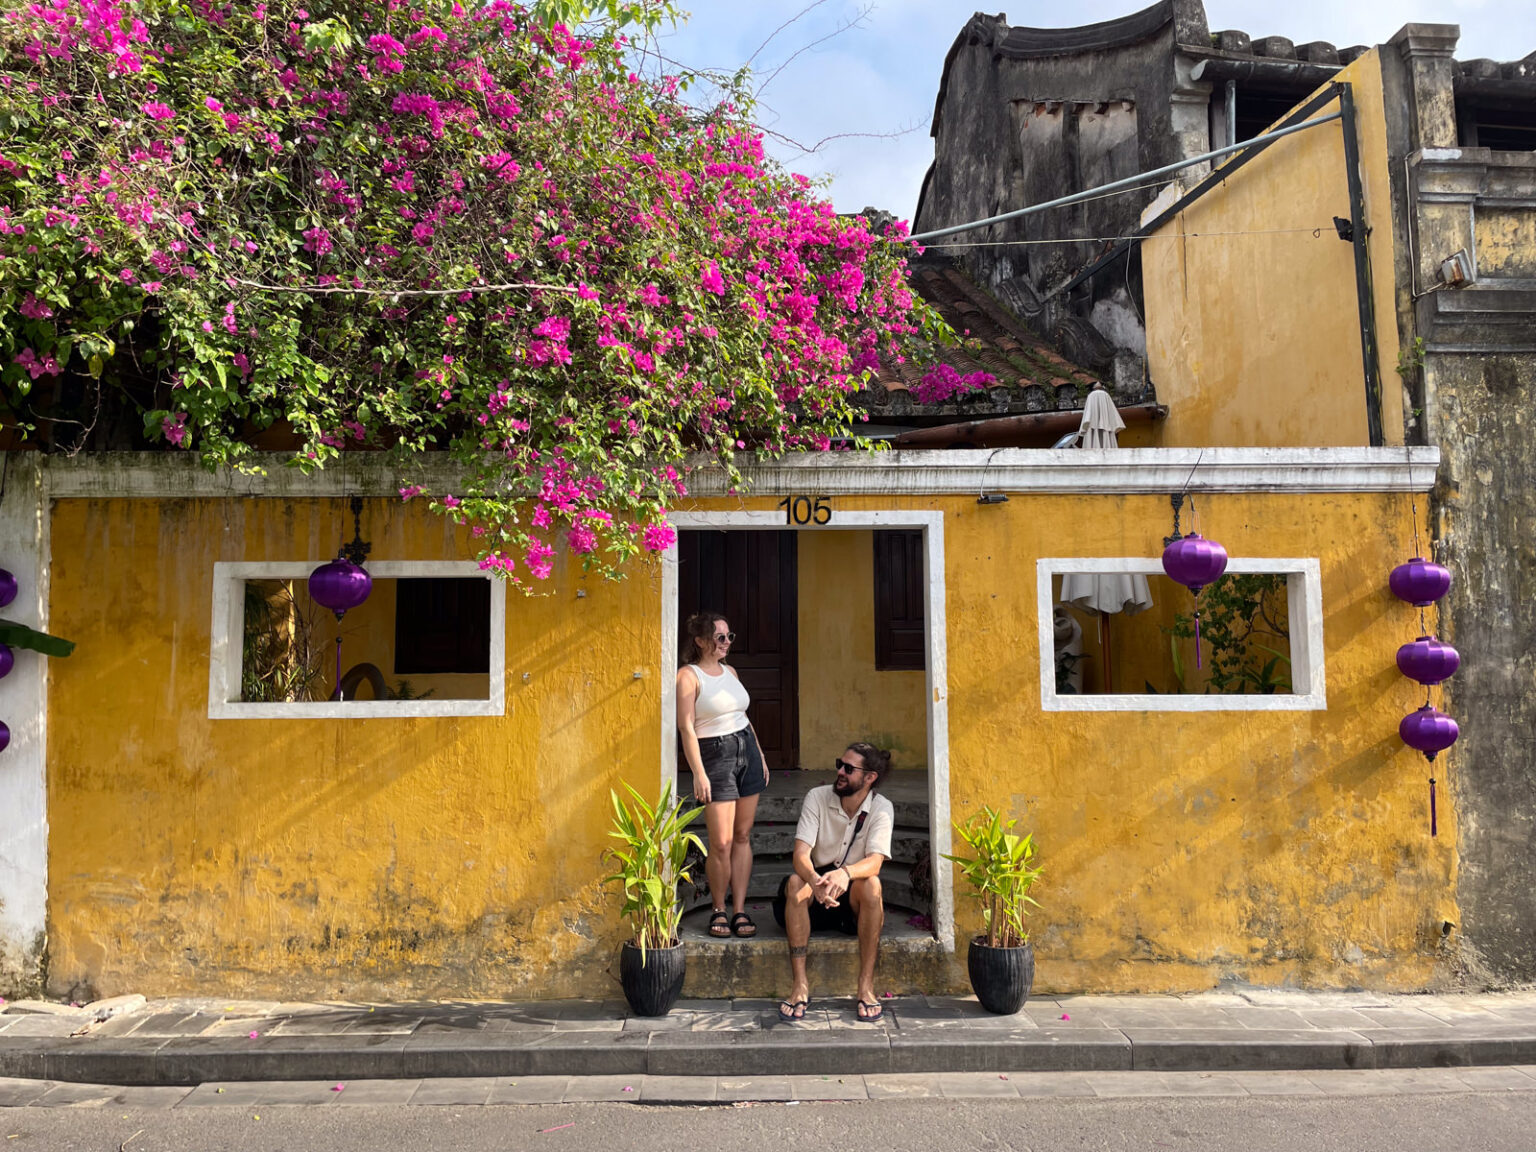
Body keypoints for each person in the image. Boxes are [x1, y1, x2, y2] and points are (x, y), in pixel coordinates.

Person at [779, 741, 894, 1023]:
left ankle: (866, 986)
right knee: (795, 883)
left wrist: (845, 873)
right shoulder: (817, 797)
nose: (840, 772)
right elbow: (800, 855)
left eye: (849, 768)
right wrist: (815, 881)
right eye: (839, 764)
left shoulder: (881, 808)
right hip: (815, 894)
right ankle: (800, 986)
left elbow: (876, 861)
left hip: (850, 901)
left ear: (870, 777)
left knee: (873, 885)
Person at [676, 611, 768, 939]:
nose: (726, 643)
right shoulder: (689, 676)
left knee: (742, 836)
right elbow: (686, 726)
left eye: (729, 636)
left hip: (746, 751)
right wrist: (698, 771)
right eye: (719, 637)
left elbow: (742, 715)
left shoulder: (731, 671)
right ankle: (719, 908)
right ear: (700, 641)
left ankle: (740, 909)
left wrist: (759, 754)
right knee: (721, 843)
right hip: (714, 755)